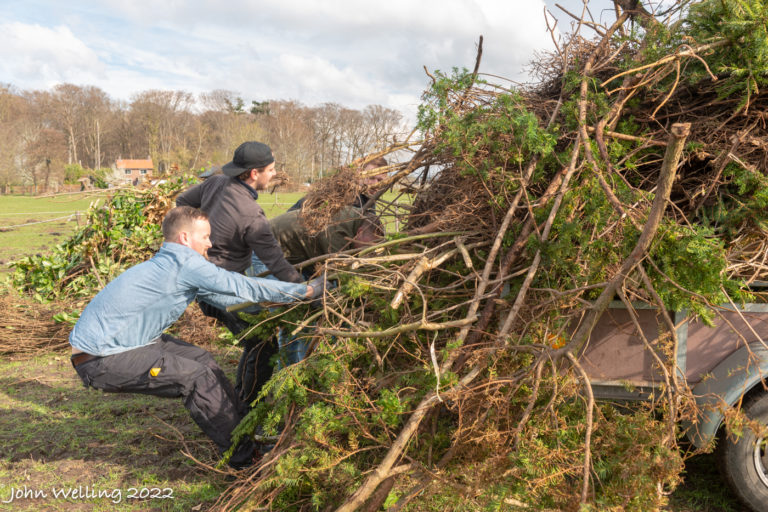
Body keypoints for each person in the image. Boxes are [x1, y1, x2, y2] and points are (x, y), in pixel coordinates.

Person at [68, 206, 321, 469]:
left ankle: (245, 427)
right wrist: (304, 291)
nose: (209, 244)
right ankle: (245, 460)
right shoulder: (184, 263)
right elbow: (241, 285)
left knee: (202, 359)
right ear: (185, 239)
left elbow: (225, 297)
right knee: (194, 377)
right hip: (101, 358)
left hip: (131, 342)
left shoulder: (171, 262)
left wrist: (276, 307)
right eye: (205, 237)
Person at [175, 141, 303, 406]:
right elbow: (275, 261)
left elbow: (182, 201)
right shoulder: (251, 214)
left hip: (204, 278)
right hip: (219, 287)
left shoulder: (216, 183)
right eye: (271, 169)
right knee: (262, 342)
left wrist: (195, 239)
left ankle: (242, 399)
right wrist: (304, 289)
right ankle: (246, 409)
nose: (274, 174)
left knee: (256, 339)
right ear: (254, 173)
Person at [268, 206, 383, 363]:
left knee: (301, 315)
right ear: (360, 232)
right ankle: (297, 373)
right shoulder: (338, 232)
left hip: (297, 259)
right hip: (268, 250)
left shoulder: (360, 220)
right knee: (292, 318)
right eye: (366, 248)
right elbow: (338, 275)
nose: (367, 253)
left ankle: (295, 372)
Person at [287, 156, 389, 212]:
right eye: (371, 178)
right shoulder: (347, 197)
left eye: (380, 180)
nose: (375, 184)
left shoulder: (368, 199)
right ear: (359, 173)